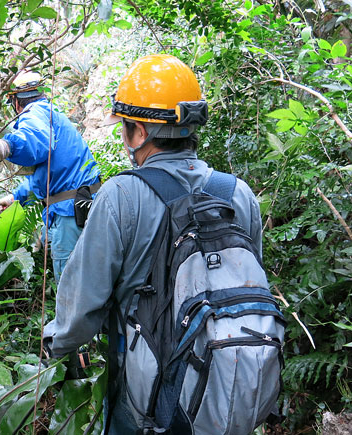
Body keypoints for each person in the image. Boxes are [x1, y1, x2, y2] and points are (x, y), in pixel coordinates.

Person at [43, 54, 265, 433]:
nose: (123, 134)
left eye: (125, 126)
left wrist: (56, 343)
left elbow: (83, 305)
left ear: (141, 133)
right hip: (227, 385)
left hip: (146, 396)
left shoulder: (121, 196)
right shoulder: (238, 194)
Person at [0, 71, 100, 282]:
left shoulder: (34, 113)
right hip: (80, 205)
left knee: (71, 284)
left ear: (16, 102)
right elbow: (45, 173)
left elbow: (36, 142)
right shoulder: (51, 114)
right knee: (88, 278)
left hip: (69, 212)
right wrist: (15, 197)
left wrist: (8, 145)